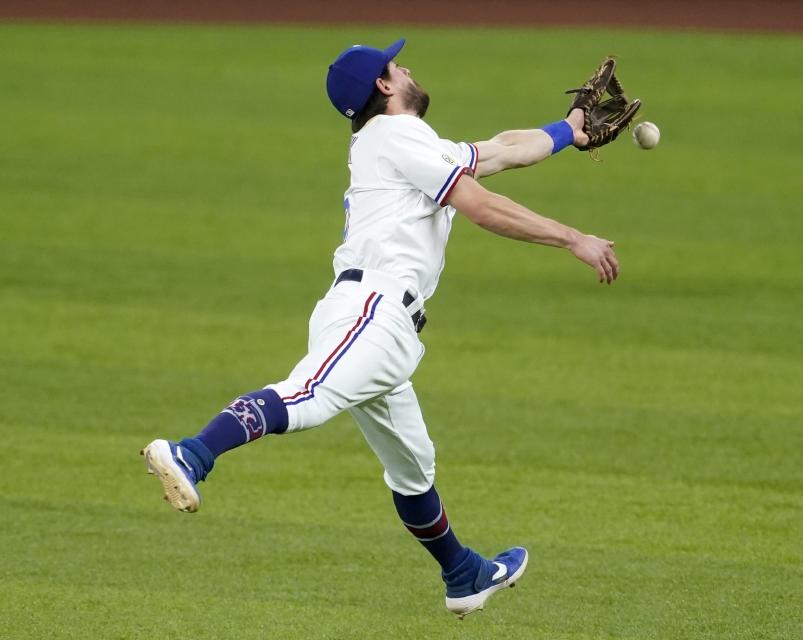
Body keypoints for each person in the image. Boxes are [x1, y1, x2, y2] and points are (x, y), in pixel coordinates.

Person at [140, 38, 619, 618]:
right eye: (397, 65)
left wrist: (570, 129)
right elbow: (481, 204)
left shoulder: (404, 144)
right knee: (308, 396)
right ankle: (193, 454)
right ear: (384, 88)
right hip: (373, 310)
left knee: (413, 467)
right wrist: (575, 238)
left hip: (385, 323)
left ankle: (464, 575)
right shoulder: (395, 137)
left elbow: (500, 150)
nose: (408, 66)